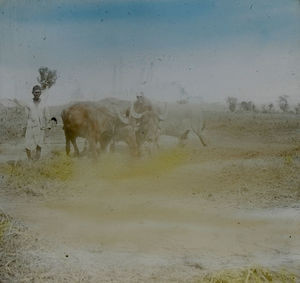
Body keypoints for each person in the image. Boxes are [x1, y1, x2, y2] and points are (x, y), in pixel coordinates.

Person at [14, 85, 51, 160]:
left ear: (40, 93)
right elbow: (25, 117)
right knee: (28, 145)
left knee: (39, 144)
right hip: (30, 127)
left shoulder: (44, 104)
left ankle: (36, 161)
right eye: (35, 92)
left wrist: (48, 127)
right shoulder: (28, 104)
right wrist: (24, 129)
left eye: (38, 92)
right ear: (32, 93)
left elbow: (47, 116)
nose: (37, 94)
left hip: (40, 127)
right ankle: (30, 160)